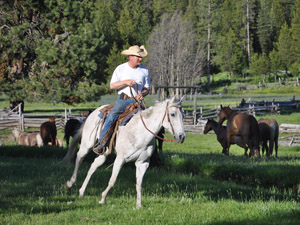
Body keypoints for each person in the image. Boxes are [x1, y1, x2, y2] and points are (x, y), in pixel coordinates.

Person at [93, 45, 150, 154]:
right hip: (124, 100)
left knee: (150, 120)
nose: (140, 59)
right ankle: (101, 143)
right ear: (130, 57)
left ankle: (151, 152)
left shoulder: (145, 70)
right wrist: (125, 82)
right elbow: (112, 86)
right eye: (138, 56)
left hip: (138, 102)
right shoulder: (121, 68)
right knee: (112, 116)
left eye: (141, 57)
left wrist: (142, 93)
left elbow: (147, 88)